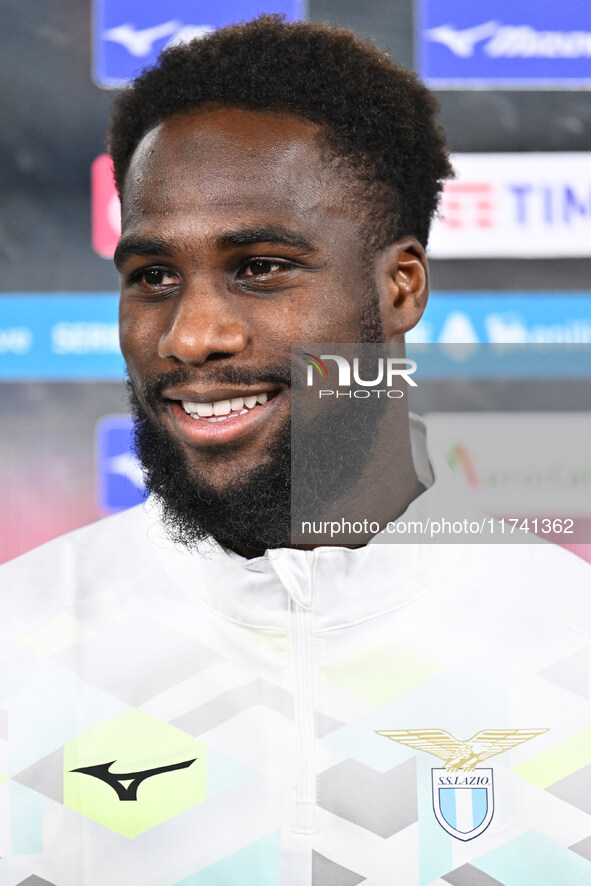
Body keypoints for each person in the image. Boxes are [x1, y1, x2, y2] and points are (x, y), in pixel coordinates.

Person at [1, 16, 589, 886]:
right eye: (153, 276)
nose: (192, 335)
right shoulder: (19, 639)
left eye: (262, 267)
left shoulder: (570, 638)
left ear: (400, 287)